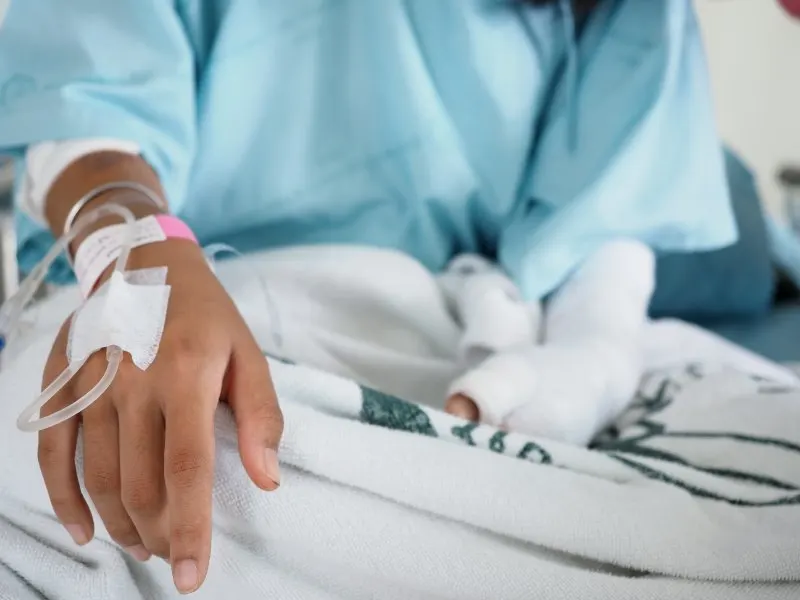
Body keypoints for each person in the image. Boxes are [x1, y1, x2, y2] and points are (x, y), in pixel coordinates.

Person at [0, 0, 740, 594]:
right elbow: (89, 106)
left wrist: (574, 371)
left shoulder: (637, 18)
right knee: (115, 442)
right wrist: (134, 251)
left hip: (440, 325)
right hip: (185, 278)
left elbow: (603, 255)